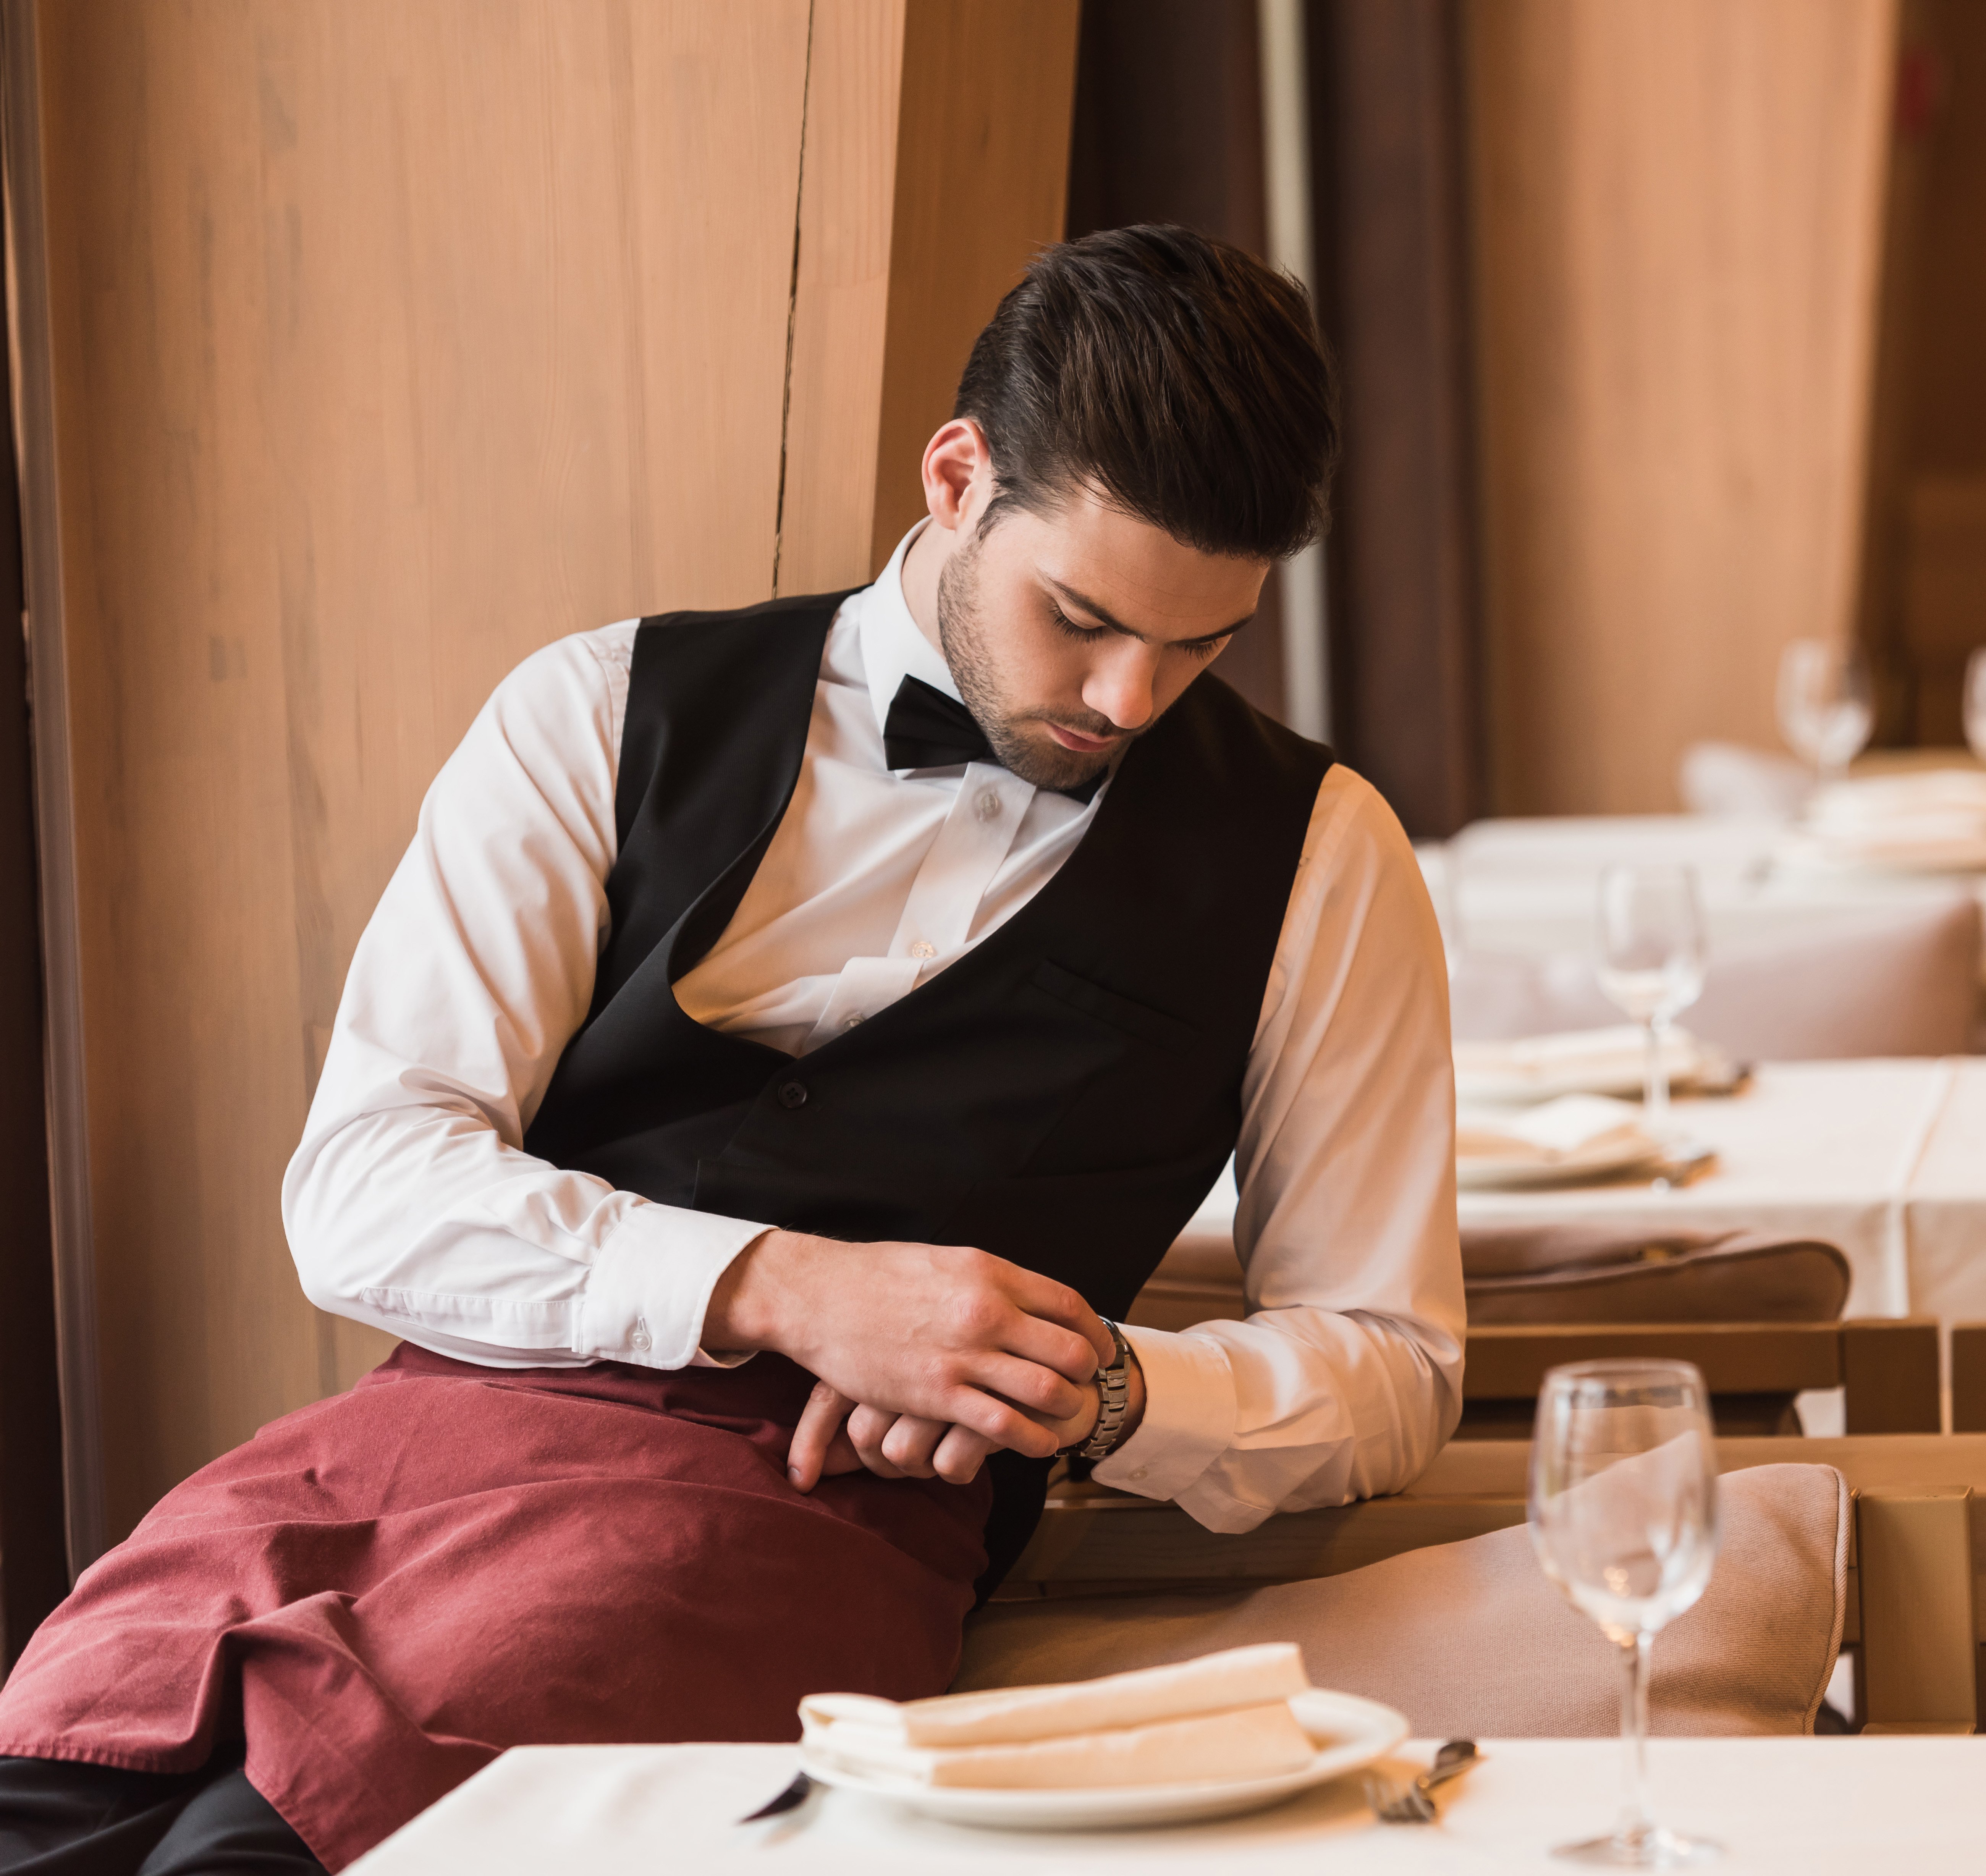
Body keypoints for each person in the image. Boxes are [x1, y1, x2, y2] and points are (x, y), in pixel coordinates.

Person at [0, 225, 1461, 1873]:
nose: (1128, 701)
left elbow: (1391, 1354)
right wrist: (793, 1285)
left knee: (264, 1857)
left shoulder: (1321, 853)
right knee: (61, 1778)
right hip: (403, 1456)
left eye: (1201, 647)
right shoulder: (596, 708)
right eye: (1082, 618)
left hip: (789, 1530)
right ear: (957, 475)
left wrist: (1097, 1387)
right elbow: (361, 1185)